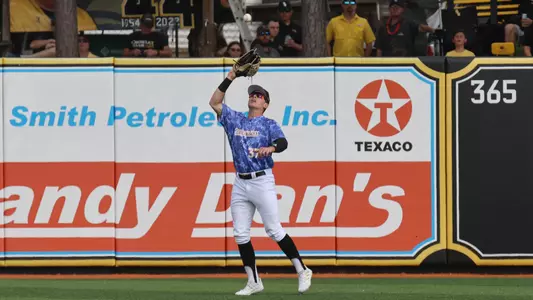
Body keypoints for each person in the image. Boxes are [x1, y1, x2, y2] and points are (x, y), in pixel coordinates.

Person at [209, 68, 312, 296]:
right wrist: (231, 76)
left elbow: (283, 143)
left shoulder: (268, 124)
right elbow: (214, 101)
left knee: (274, 230)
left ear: (265, 104)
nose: (254, 96)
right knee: (241, 234)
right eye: (252, 94)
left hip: (261, 181)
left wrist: (272, 147)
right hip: (240, 182)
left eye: (259, 95)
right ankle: (253, 281)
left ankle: (302, 269)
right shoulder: (234, 119)